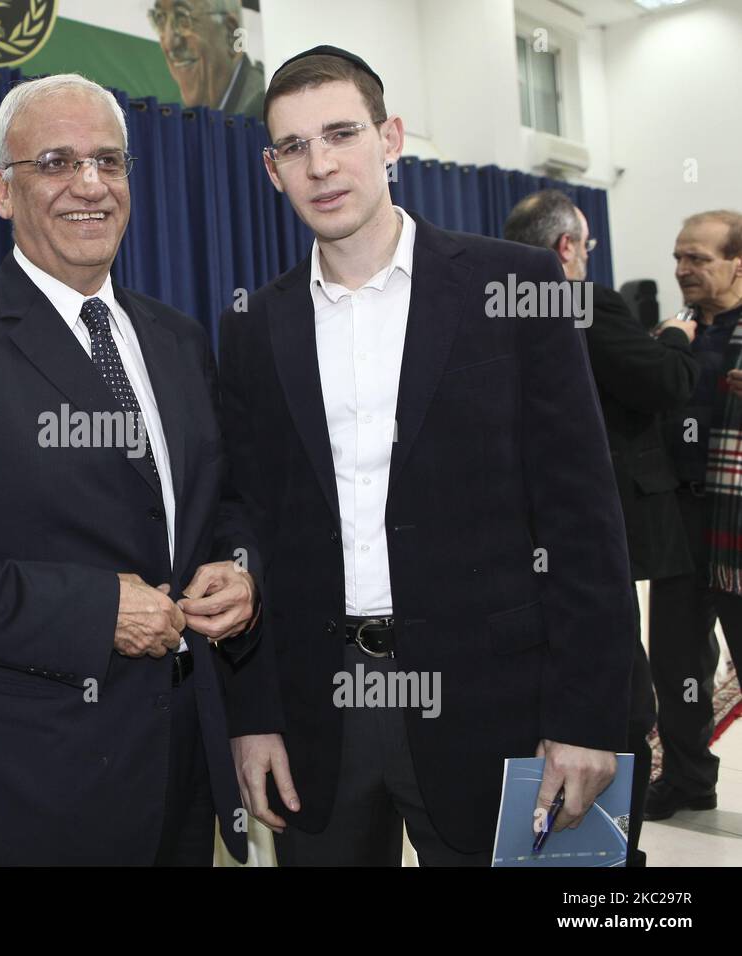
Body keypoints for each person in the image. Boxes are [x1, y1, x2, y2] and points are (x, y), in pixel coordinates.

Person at [218, 47, 634, 866]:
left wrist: (588, 719)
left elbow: (583, 517)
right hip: (320, 715)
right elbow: (248, 521)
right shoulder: (252, 329)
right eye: (294, 147)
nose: (322, 164)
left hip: (498, 705)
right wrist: (252, 713)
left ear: (391, 138)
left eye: (341, 133)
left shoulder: (516, 287)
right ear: (272, 171)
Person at [0, 73, 261, 865]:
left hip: (181, 770)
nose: (90, 184)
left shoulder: (177, 339)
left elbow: (225, 503)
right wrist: (93, 611)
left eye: (110, 161)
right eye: (56, 162)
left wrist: (242, 574)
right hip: (22, 788)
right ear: (3, 191)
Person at [504, 188, 699, 864]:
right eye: (584, 247)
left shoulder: (487, 306)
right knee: (621, 703)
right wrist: (673, 337)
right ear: (566, 249)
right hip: (599, 536)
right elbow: (664, 381)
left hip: (517, 559)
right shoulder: (586, 302)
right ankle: (611, 862)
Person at [646, 209, 742, 821]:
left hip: (736, 529)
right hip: (678, 522)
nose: (683, 270)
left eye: (699, 259)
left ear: (737, 263)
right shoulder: (669, 337)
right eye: (679, 257)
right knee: (676, 663)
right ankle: (687, 779)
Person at [147, 0, 265, 117]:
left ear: (231, 35)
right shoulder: (183, 116)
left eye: (182, 18)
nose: (169, 43)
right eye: (160, 18)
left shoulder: (260, 110)